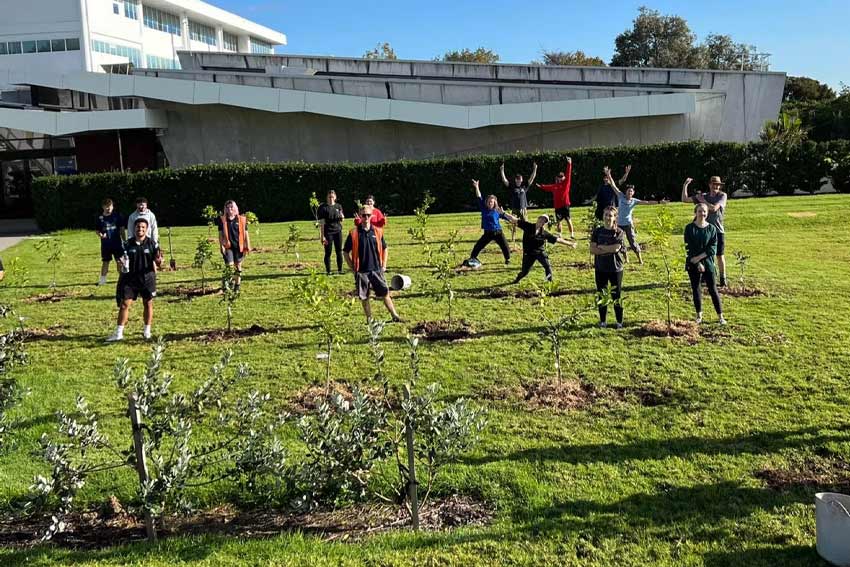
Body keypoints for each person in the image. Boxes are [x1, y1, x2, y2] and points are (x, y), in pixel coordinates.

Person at [106, 217, 162, 342]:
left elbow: (158, 262)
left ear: (146, 229)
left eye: (143, 227)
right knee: (124, 305)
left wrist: (159, 261)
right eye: (138, 227)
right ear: (134, 228)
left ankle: (147, 331)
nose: (140, 229)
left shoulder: (152, 244)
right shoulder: (126, 244)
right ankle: (119, 333)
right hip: (129, 280)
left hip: (147, 279)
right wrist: (120, 264)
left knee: (148, 303)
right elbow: (120, 262)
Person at [343, 204, 402, 323]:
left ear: (372, 216)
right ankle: (370, 320)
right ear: (360, 216)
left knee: (385, 293)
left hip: (376, 269)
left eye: (368, 215)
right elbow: (345, 252)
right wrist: (352, 267)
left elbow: (385, 248)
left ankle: (395, 315)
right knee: (364, 297)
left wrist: (384, 265)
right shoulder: (353, 233)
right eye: (363, 215)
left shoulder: (378, 231)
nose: (366, 218)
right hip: (361, 271)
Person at [602, 167, 666, 265]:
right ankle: (626, 259)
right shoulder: (620, 196)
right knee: (621, 242)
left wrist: (659, 202)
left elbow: (647, 202)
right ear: (626, 192)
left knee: (632, 242)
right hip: (619, 224)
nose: (630, 192)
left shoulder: (634, 201)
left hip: (628, 224)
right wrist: (609, 175)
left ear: (633, 193)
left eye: (631, 191)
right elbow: (613, 185)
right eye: (628, 191)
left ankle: (640, 259)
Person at [502, 212, 576, 283]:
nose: (542, 221)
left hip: (540, 252)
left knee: (547, 266)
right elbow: (514, 219)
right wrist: (503, 213)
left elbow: (558, 240)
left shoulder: (544, 233)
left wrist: (570, 244)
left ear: (544, 224)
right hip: (528, 254)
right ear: (538, 219)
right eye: (541, 219)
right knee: (525, 272)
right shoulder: (528, 226)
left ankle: (549, 281)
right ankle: (518, 278)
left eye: (544, 221)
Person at [682, 176, 729, 286]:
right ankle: (706, 276)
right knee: (705, 254)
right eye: (713, 184)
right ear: (709, 185)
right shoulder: (704, 195)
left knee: (719, 255)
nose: (715, 186)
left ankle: (723, 278)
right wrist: (685, 185)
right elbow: (685, 199)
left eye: (717, 185)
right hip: (705, 231)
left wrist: (703, 201)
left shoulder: (722, 196)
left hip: (717, 230)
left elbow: (714, 208)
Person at [685, 203, 726, 325]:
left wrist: (700, 259)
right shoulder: (689, 228)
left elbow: (712, 249)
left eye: (704, 211)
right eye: (699, 211)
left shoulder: (712, 229)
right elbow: (689, 247)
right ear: (695, 212)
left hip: (708, 263)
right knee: (696, 289)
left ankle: (720, 316)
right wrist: (697, 263)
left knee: (713, 289)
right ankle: (699, 316)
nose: (702, 214)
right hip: (693, 263)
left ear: (707, 213)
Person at [590, 206, 626, 329]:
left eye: (610, 215)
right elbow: (592, 249)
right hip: (601, 268)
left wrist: (601, 247)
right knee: (602, 295)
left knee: (616, 295)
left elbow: (616, 248)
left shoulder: (619, 232)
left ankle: (619, 322)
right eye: (606, 215)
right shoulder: (597, 231)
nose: (607, 217)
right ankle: (603, 321)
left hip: (615, 269)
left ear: (615, 217)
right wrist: (607, 249)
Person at [468, 179, 511, 265]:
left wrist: (513, 219)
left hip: (498, 232)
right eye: (489, 201)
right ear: (486, 202)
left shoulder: (497, 210)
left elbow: (506, 217)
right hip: (487, 233)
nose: (490, 203)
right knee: (478, 246)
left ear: (494, 203)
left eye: (492, 202)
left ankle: (507, 259)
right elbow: (479, 197)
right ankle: (472, 258)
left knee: (505, 246)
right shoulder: (484, 208)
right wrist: (477, 187)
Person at [216, 200, 250, 293]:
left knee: (238, 267)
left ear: (235, 208)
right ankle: (229, 283)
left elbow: (246, 234)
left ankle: (237, 286)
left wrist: (247, 245)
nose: (229, 209)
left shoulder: (242, 219)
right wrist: (221, 246)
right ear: (225, 209)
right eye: (227, 207)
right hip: (228, 247)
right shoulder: (222, 220)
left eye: (231, 207)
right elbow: (220, 234)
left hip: (239, 247)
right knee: (230, 266)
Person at [535, 158, 575, 238]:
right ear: (557, 178)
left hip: (565, 205)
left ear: (564, 177)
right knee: (558, 221)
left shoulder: (566, 183)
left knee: (568, 219)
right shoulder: (555, 186)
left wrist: (569, 164)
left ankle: (572, 234)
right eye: (559, 177)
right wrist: (541, 186)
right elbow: (547, 187)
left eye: (562, 177)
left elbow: (568, 173)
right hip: (557, 206)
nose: (560, 178)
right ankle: (560, 234)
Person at [500, 162, 537, 242]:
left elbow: (532, 178)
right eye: (517, 179)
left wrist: (535, 169)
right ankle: (513, 238)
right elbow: (504, 180)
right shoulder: (512, 186)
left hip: (523, 209)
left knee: (526, 224)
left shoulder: (524, 186)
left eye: (519, 179)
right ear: (515, 180)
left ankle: (527, 237)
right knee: (513, 223)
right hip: (515, 208)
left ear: (522, 179)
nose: (518, 180)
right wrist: (502, 170)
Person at [95, 198, 126, 286]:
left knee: (120, 261)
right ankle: (102, 281)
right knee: (105, 262)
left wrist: (124, 240)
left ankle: (122, 279)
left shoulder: (117, 216)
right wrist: (100, 235)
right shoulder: (100, 218)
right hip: (106, 244)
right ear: (103, 207)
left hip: (117, 243)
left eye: (110, 206)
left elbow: (122, 229)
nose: (108, 208)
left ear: (112, 206)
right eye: (106, 207)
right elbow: (97, 230)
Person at [317, 190, 345, 275]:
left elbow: (342, 219)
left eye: (332, 196)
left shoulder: (338, 206)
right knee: (328, 252)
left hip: (338, 231)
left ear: (335, 197)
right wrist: (322, 236)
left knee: (339, 251)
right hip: (328, 232)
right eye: (329, 197)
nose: (331, 198)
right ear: (327, 198)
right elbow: (322, 223)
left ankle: (340, 270)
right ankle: (328, 271)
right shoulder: (323, 208)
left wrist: (342, 217)